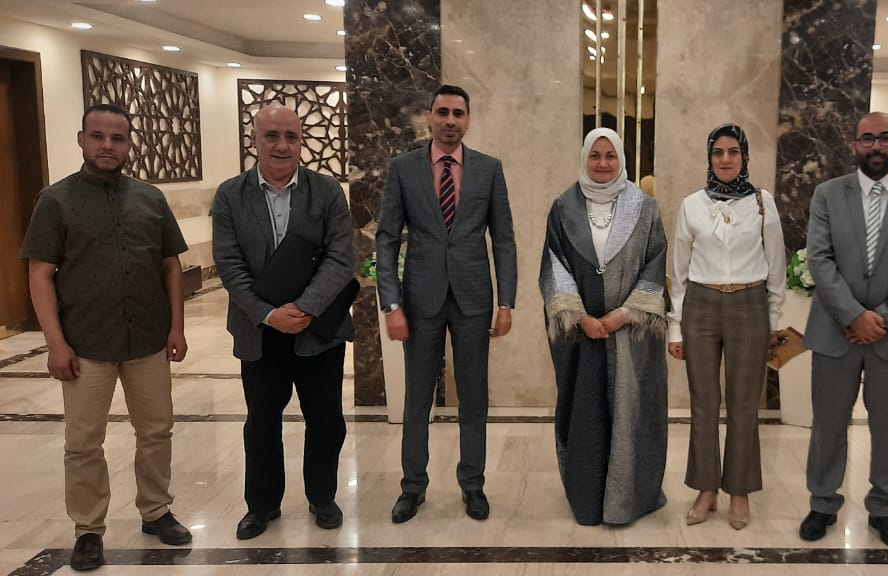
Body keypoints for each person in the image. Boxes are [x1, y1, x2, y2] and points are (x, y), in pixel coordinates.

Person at [22, 103, 192, 571]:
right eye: (97, 136)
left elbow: (170, 266)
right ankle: (88, 529)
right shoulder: (55, 201)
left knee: (156, 430)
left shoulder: (150, 199)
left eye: (117, 138)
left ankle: (156, 511)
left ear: (129, 144)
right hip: (85, 343)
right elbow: (40, 274)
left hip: (147, 339)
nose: (107, 146)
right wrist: (55, 343)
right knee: (83, 442)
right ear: (81, 140)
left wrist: (177, 326)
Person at [212, 103, 355, 540]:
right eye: (272, 135)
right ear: (254, 139)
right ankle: (262, 505)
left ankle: (322, 497)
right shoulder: (230, 195)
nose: (281, 145)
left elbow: (340, 257)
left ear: (301, 142)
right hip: (259, 331)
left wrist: (305, 308)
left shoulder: (327, 192)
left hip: (318, 329)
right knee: (261, 423)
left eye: (291, 136)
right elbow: (228, 264)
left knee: (326, 420)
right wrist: (270, 314)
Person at [796, 112, 888, 549]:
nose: (877, 146)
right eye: (868, 138)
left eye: (885, 138)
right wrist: (854, 315)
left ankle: (885, 508)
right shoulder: (828, 194)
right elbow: (819, 258)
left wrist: (884, 319)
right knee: (828, 424)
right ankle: (823, 502)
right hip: (835, 331)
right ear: (854, 145)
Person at [377, 84, 516, 524]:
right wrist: (391, 304)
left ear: (468, 120)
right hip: (420, 299)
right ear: (430, 118)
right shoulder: (403, 169)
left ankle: (473, 485)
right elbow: (386, 239)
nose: (450, 120)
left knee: (473, 398)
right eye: (443, 112)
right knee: (417, 398)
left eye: (458, 113)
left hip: (474, 300)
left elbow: (504, 239)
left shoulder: (489, 169)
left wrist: (506, 302)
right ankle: (412, 487)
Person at [539, 127, 668, 526]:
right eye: (595, 155)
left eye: (610, 156)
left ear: (621, 159)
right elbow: (554, 264)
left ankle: (630, 499)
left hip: (630, 334)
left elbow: (656, 264)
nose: (602, 163)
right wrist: (580, 317)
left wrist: (624, 314)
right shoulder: (564, 207)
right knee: (586, 413)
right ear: (584, 158)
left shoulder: (645, 208)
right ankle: (588, 498)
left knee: (632, 412)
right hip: (583, 335)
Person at [667, 123, 785, 530]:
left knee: (743, 404)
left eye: (733, 152)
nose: (726, 159)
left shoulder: (763, 204)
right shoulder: (692, 205)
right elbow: (679, 273)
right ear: (709, 158)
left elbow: (777, 269)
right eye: (718, 152)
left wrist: (773, 321)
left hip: (750, 305)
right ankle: (706, 489)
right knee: (703, 402)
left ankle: (739, 491)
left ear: (744, 157)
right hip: (700, 306)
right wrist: (676, 329)